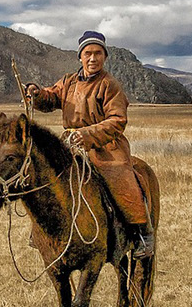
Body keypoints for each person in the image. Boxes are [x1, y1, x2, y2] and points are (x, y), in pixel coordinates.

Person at [24, 30, 155, 259]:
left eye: (97, 53)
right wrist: (36, 94)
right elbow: (50, 97)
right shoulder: (68, 82)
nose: (92, 58)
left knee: (122, 180)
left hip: (106, 146)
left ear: (104, 57)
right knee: (46, 177)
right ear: (80, 57)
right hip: (70, 144)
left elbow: (117, 120)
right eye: (88, 53)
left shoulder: (109, 85)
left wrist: (87, 135)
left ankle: (142, 233)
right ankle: (43, 231)